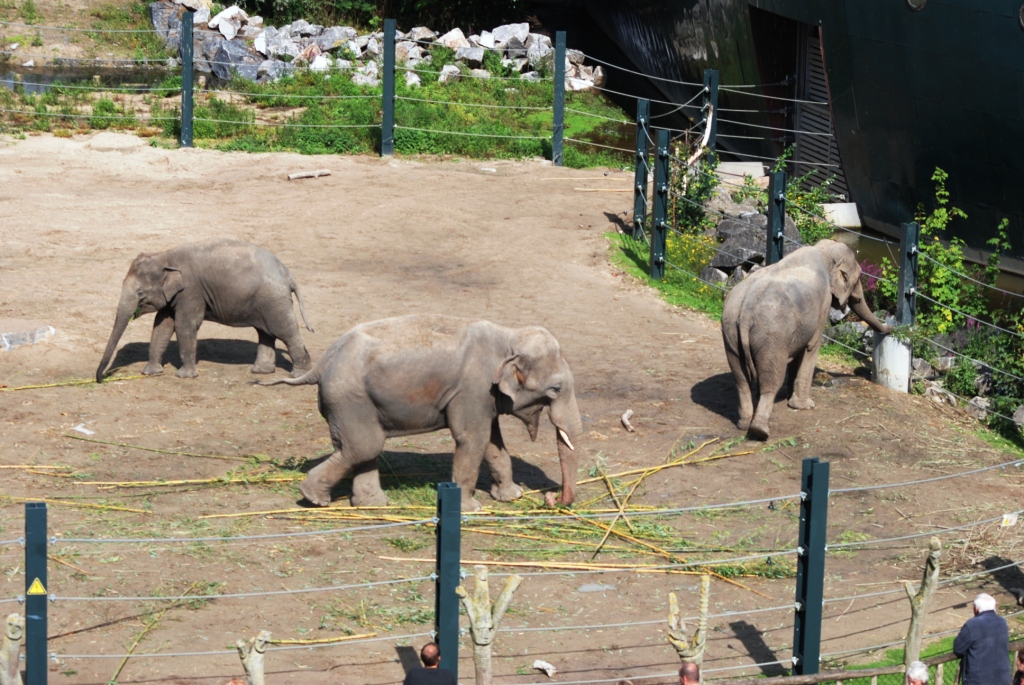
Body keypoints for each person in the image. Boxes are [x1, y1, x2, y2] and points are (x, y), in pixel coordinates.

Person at [952, 593, 1010, 685]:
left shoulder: (972, 625)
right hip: (1002, 678)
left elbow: (958, 648)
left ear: (976, 608)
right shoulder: (1002, 622)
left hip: (979, 680)